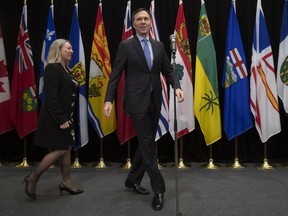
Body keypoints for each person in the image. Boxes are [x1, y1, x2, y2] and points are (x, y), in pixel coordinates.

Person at [103, 8, 184, 211]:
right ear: (133, 24)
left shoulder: (158, 46)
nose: (142, 22)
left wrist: (178, 87)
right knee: (148, 144)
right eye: (138, 19)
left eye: (145, 19)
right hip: (136, 103)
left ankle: (132, 180)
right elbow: (115, 75)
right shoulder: (126, 46)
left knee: (145, 142)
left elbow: (168, 70)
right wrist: (108, 100)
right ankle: (159, 190)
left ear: (150, 22)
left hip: (155, 101)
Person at [23, 39, 83, 200]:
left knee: (67, 148)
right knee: (61, 149)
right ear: (58, 50)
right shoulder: (52, 68)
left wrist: (70, 117)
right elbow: (51, 97)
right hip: (55, 117)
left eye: (71, 48)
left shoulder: (66, 70)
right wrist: (61, 118)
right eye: (68, 48)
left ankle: (66, 183)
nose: (71, 51)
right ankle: (32, 178)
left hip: (66, 117)